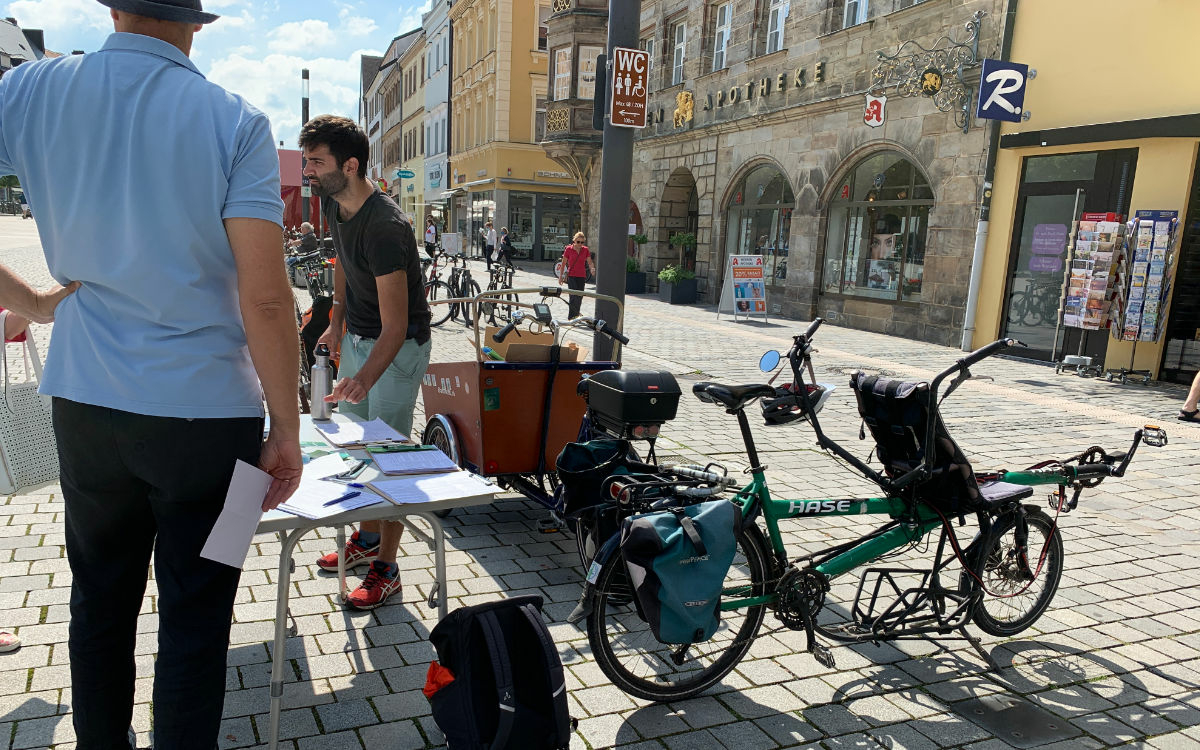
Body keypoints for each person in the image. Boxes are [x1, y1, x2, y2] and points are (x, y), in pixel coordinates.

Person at [0, 2, 304, 748]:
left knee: (99, 604)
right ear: (196, 23)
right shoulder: (236, 120)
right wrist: (287, 429)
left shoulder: (30, 91)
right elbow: (266, 299)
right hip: (217, 419)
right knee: (202, 616)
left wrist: (33, 300)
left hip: (86, 401)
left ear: (113, 9)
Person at [302, 115, 433, 610]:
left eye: (316, 161)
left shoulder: (385, 226)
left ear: (350, 165)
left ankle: (388, 570)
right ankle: (368, 539)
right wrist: (335, 321)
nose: (307, 170)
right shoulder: (336, 209)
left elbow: (396, 326)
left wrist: (361, 379)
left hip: (397, 351)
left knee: (388, 456)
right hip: (359, 339)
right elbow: (342, 268)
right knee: (357, 453)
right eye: (306, 160)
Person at [558, 231, 596, 319]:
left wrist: (592, 269)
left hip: (582, 276)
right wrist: (560, 277)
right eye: (578, 242)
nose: (580, 244)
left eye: (582, 242)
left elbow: (590, 262)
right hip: (571, 276)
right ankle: (571, 317)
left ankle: (576, 315)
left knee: (579, 297)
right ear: (574, 241)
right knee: (573, 297)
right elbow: (563, 264)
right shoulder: (568, 249)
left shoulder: (585, 250)